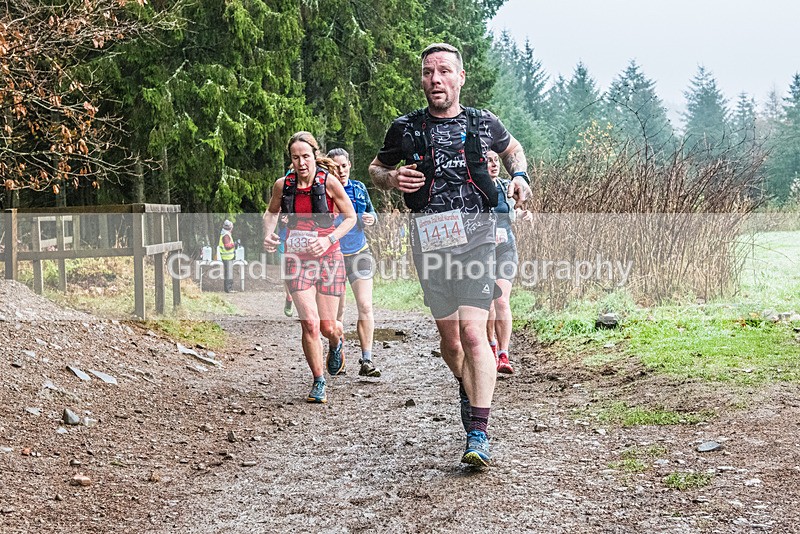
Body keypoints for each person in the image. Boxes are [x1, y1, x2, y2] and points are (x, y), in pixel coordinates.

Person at [369, 42, 532, 466]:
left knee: (475, 334)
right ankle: (470, 386)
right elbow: (375, 168)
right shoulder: (405, 128)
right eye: (428, 72)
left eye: (444, 71)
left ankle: (478, 432)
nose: (435, 79)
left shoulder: (482, 122)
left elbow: (513, 148)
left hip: (478, 238)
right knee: (451, 340)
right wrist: (391, 178)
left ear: (461, 77)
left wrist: (520, 176)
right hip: (430, 241)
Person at [263, 131, 357, 404]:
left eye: (305, 156)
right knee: (310, 324)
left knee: (328, 326)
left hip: (328, 256)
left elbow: (350, 218)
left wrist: (329, 238)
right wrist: (268, 234)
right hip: (296, 258)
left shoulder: (330, 184)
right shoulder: (283, 185)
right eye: (295, 157)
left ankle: (336, 342)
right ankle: (318, 380)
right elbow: (271, 212)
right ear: (290, 158)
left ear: (315, 155)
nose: (301, 162)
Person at [327, 148, 381, 378]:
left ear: (350, 165)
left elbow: (372, 214)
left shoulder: (359, 188)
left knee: (365, 306)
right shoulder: (325, 190)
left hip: (360, 253)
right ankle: (336, 349)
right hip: (334, 256)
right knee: (337, 313)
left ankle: (366, 359)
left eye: (344, 165)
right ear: (329, 167)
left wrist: (371, 218)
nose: (340, 170)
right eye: (335, 166)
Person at [485, 150, 533, 375]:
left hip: (505, 250)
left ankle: (504, 355)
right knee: (488, 305)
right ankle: (491, 349)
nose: (493, 165)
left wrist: (524, 215)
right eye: (487, 161)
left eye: (496, 160)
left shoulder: (506, 187)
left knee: (501, 301)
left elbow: (514, 211)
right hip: (481, 253)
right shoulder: (472, 190)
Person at [218, 219, 237, 293]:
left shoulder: (225, 233)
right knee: (229, 273)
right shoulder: (226, 235)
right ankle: (229, 289)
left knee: (228, 273)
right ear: (230, 227)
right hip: (227, 257)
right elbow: (227, 246)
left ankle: (228, 289)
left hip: (227, 257)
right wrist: (234, 244)